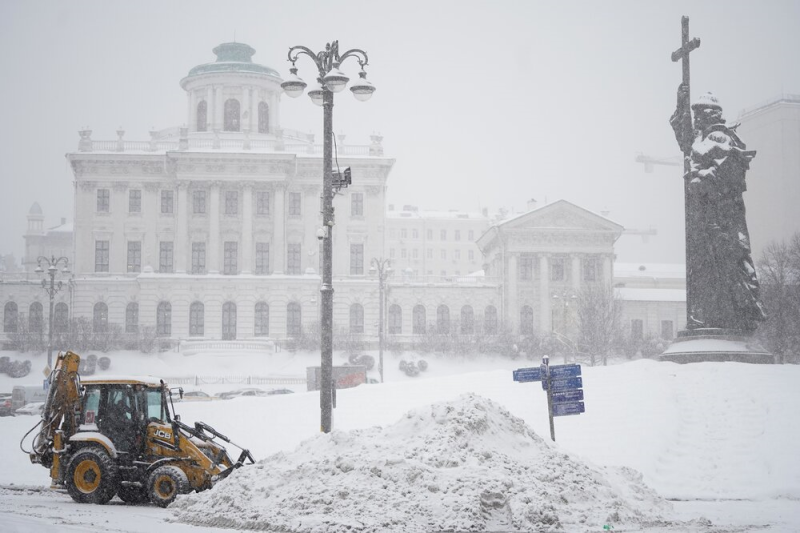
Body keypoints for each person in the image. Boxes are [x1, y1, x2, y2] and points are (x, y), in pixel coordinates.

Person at [670, 85, 766, 332]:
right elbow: (684, 137)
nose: (697, 119)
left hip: (722, 219)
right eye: (696, 114)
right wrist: (681, 104)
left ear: (711, 114)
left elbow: (728, 174)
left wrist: (700, 181)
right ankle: (711, 316)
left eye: (699, 114)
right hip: (704, 218)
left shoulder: (722, 138)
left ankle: (730, 317)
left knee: (725, 265)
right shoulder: (701, 139)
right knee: (705, 267)